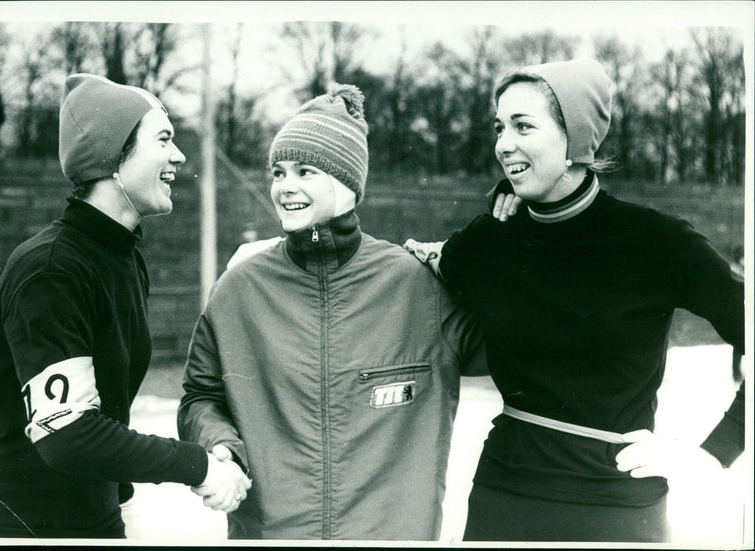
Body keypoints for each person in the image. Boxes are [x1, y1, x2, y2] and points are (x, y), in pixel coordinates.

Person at [405, 58, 744, 542]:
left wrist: (713, 453)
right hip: (505, 497)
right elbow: (425, 264)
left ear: (576, 141)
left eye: (523, 126)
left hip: (619, 504)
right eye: (499, 127)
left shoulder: (655, 241)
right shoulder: (489, 241)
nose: (503, 143)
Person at [177, 84, 490, 540]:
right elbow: (200, 396)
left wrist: (491, 253)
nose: (286, 187)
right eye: (278, 173)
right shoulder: (239, 288)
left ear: (346, 181)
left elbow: (515, 351)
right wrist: (219, 444)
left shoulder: (418, 285)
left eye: (305, 171)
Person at [0, 74, 249, 538]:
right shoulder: (52, 269)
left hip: (87, 517)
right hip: (18, 524)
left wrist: (114, 499)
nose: (178, 156)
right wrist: (197, 466)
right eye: (163, 139)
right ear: (115, 155)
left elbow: (100, 411)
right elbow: (67, 434)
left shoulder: (122, 257)